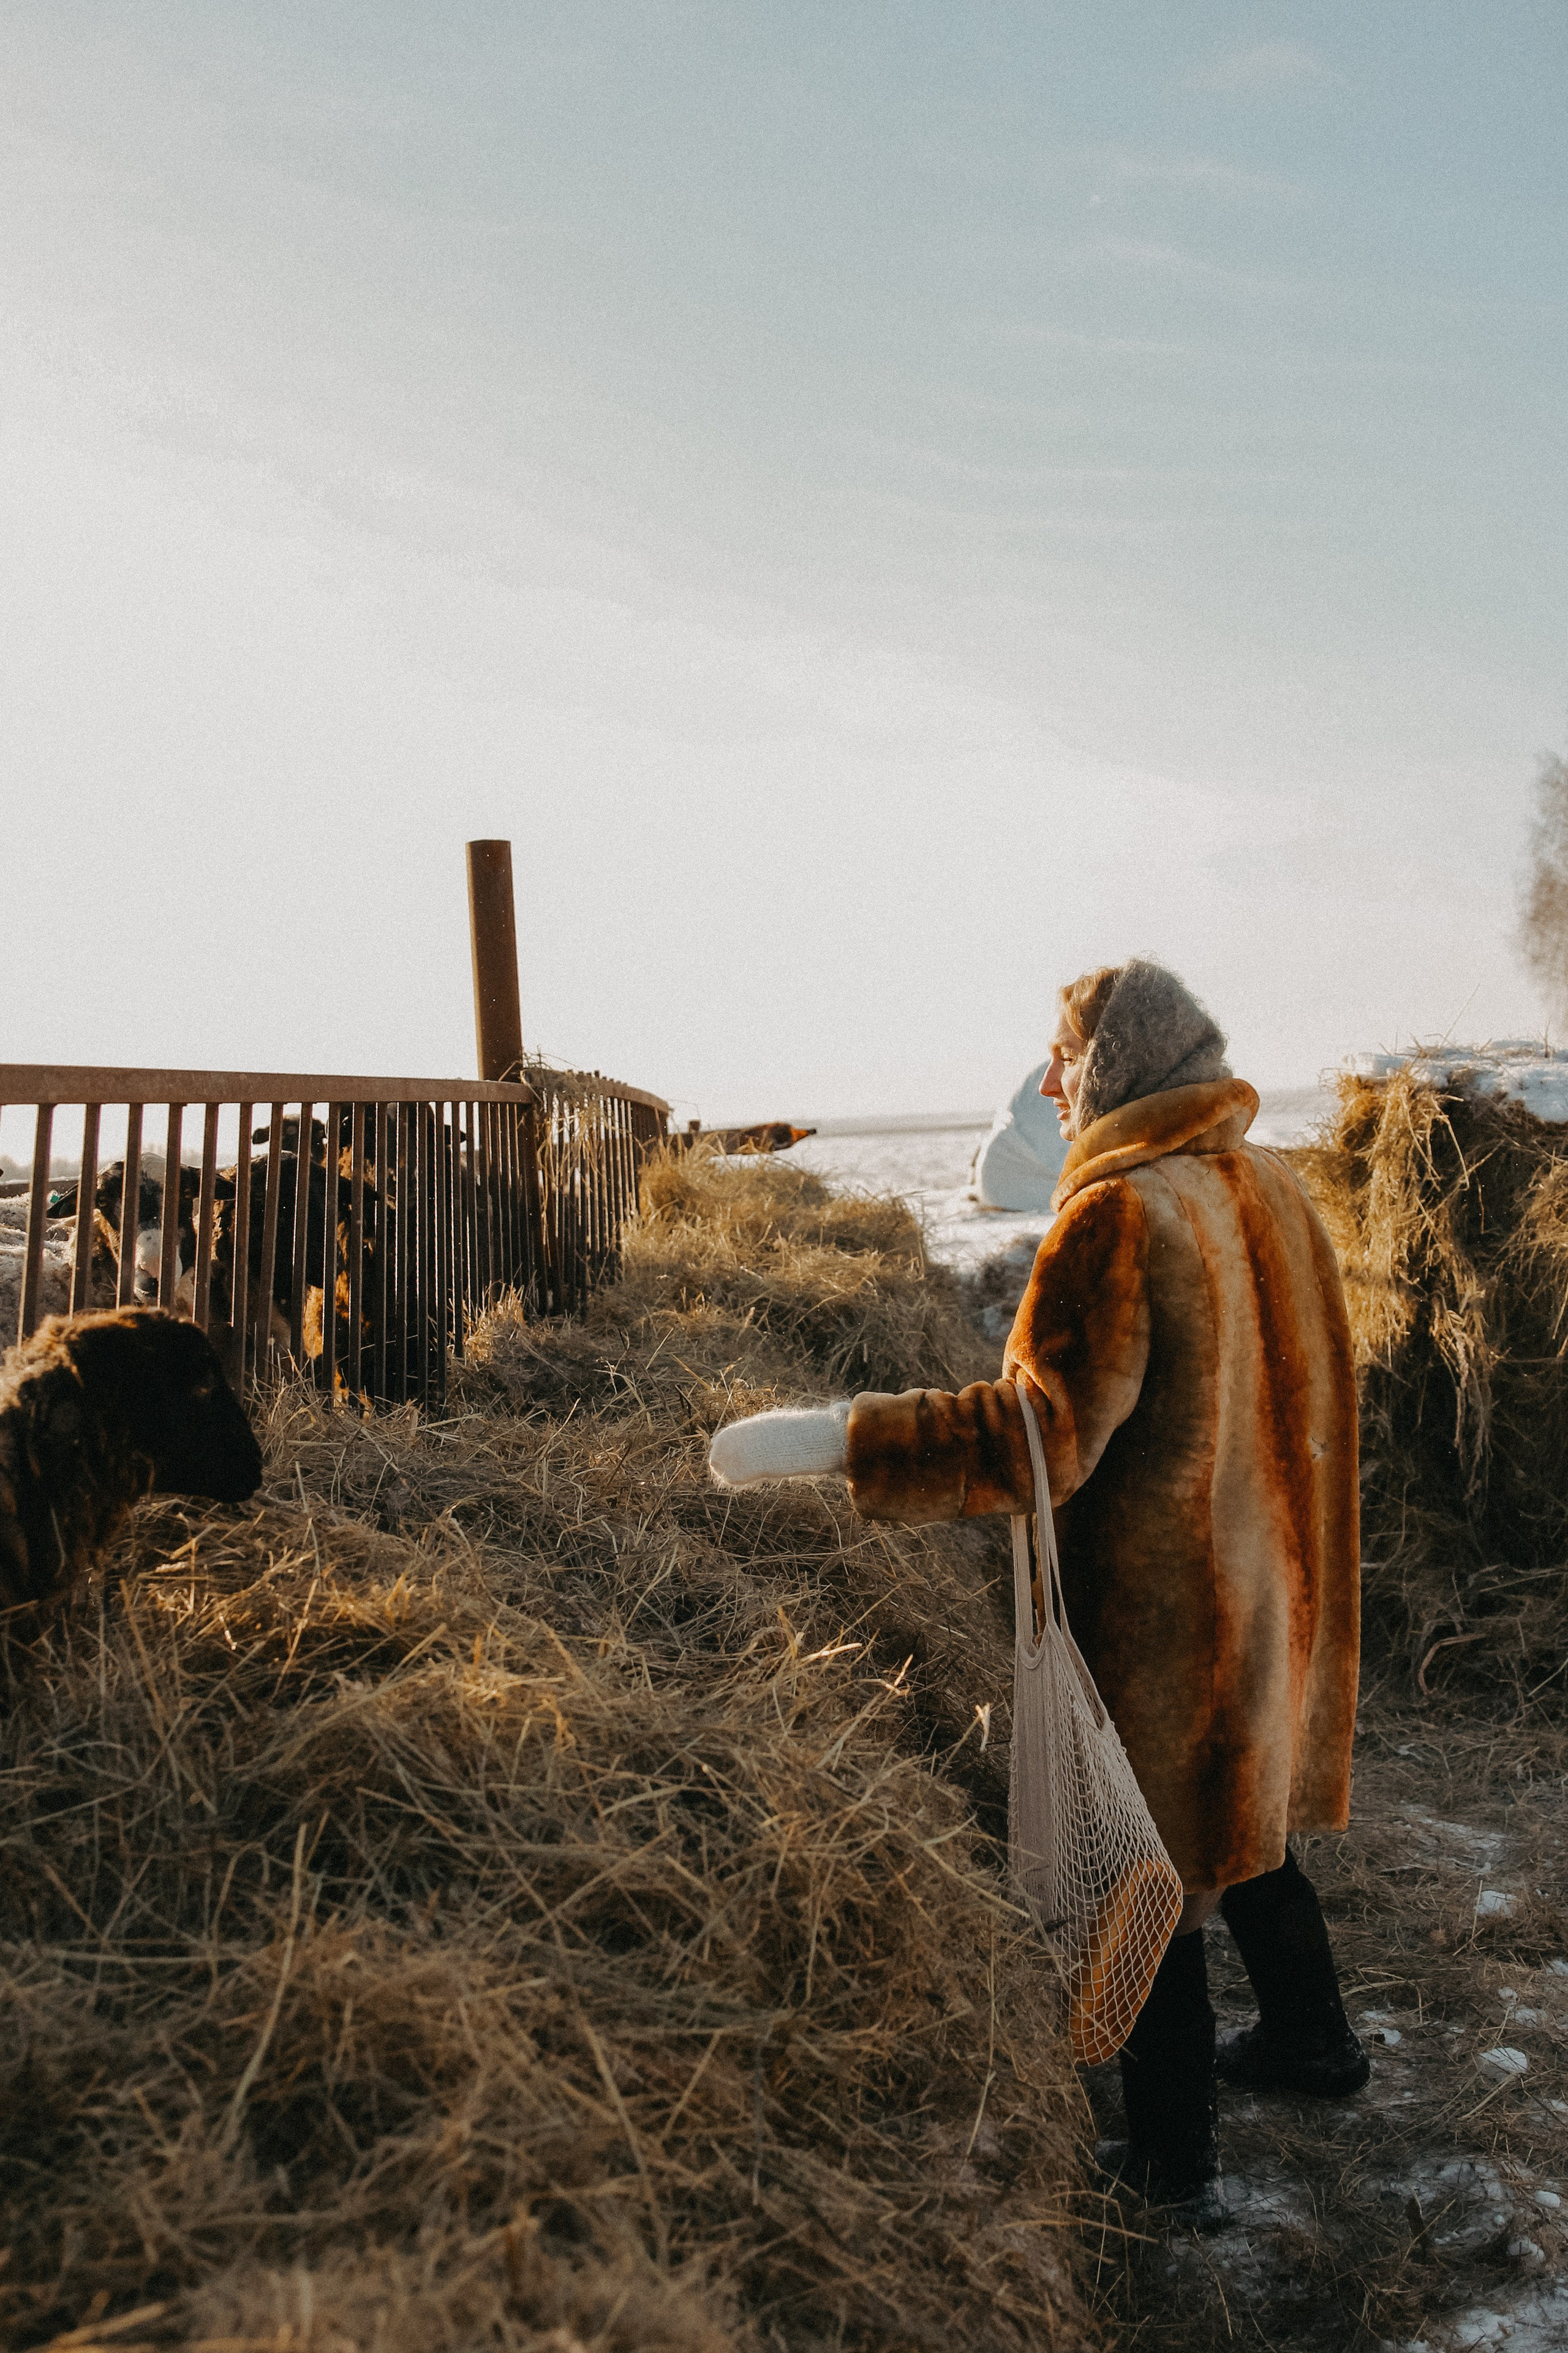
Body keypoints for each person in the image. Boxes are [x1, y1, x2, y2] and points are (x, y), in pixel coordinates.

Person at [708, 959, 1366, 2233]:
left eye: (1065, 1055)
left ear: (1116, 1066)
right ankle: (1313, 2041)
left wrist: (843, 1439)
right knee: (1249, 1816)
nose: (1050, 1081)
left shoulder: (1116, 1215)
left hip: (1166, 1604)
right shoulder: (1267, 1180)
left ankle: (1172, 2168)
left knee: (1151, 1868)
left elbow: (1035, 1440)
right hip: (1268, 1575)